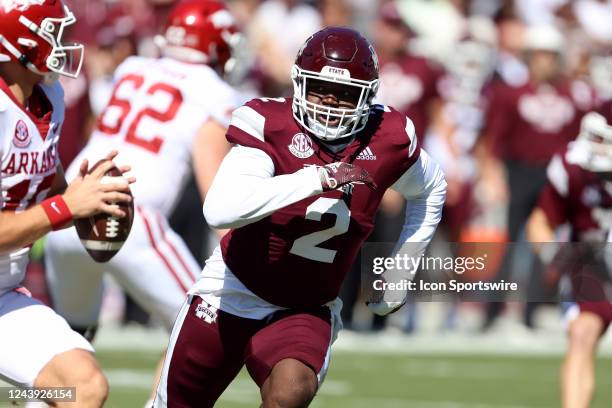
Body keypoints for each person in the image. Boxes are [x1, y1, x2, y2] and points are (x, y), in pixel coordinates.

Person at [154, 27, 447, 407]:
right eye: (320, 88)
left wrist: (400, 268)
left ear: (368, 97)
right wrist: (315, 178)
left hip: (306, 307)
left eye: (344, 94)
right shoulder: (269, 124)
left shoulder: (387, 137)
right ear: (298, 84)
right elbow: (220, 209)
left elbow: (432, 188)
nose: (329, 102)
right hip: (232, 289)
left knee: (290, 392)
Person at [44, 0, 245, 403]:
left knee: (63, 344)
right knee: (200, 327)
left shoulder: (133, 68)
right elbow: (216, 194)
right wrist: (243, 252)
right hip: (130, 215)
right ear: (218, 45)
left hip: (71, 213)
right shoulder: (214, 92)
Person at [0, 1, 134, 406]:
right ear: (22, 43)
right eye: (53, 33)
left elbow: (48, 184)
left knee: (82, 387)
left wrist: (91, 195)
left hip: (3, 292)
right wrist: (66, 208)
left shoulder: (49, 96)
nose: (64, 44)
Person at [526, 111, 612, 408]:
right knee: (581, 334)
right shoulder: (574, 167)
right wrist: (560, 258)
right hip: (593, 264)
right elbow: (539, 223)